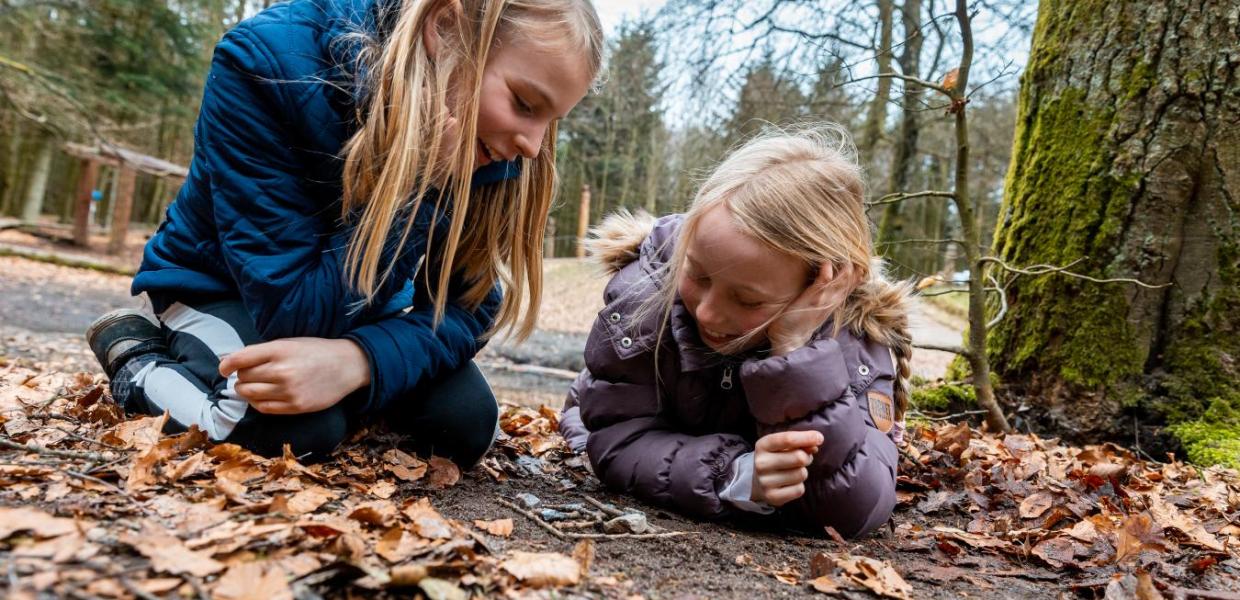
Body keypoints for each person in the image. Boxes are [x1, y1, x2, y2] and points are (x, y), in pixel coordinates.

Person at [85, 0, 602, 466]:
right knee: (289, 427)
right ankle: (137, 358)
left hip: (355, 307)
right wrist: (423, 180)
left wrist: (358, 362)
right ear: (445, 27)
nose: (534, 146)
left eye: (551, 121)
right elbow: (293, 312)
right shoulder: (264, 64)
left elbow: (469, 304)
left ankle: (338, 398)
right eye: (525, 104)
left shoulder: (487, 136)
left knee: (464, 423)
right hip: (219, 288)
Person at [559, 125, 912, 538]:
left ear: (820, 284)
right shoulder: (647, 290)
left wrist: (795, 350)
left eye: (748, 301)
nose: (708, 313)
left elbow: (854, 508)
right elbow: (618, 440)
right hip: (612, 416)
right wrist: (736, 475)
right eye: (698, 275)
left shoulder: (853, 334)